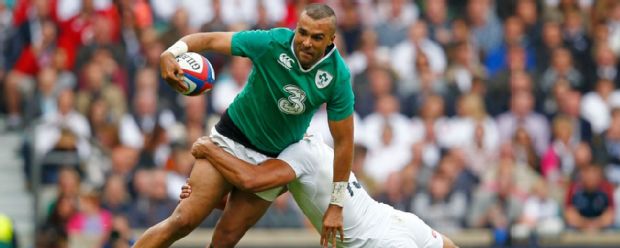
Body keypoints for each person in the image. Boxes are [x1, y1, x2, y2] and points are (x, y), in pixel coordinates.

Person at [134, 4, 355, 248]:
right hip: (231, 139)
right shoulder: (272, 42)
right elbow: (209, 39)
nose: (305, 42)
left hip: (272, 159)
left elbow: (344, 143)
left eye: (317, 37)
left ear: (331, 40)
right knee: (183, 220)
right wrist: (170, 53)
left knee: (225, 239)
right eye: (302, 32)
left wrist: (336, 205)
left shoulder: (338, 77)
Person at [183, 134, 458, 248]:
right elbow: (250, 200)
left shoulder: (298, 154)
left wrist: (210, 149)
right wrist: (205, 199)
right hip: (398, 222)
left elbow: (251, 180)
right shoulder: (305, 156)